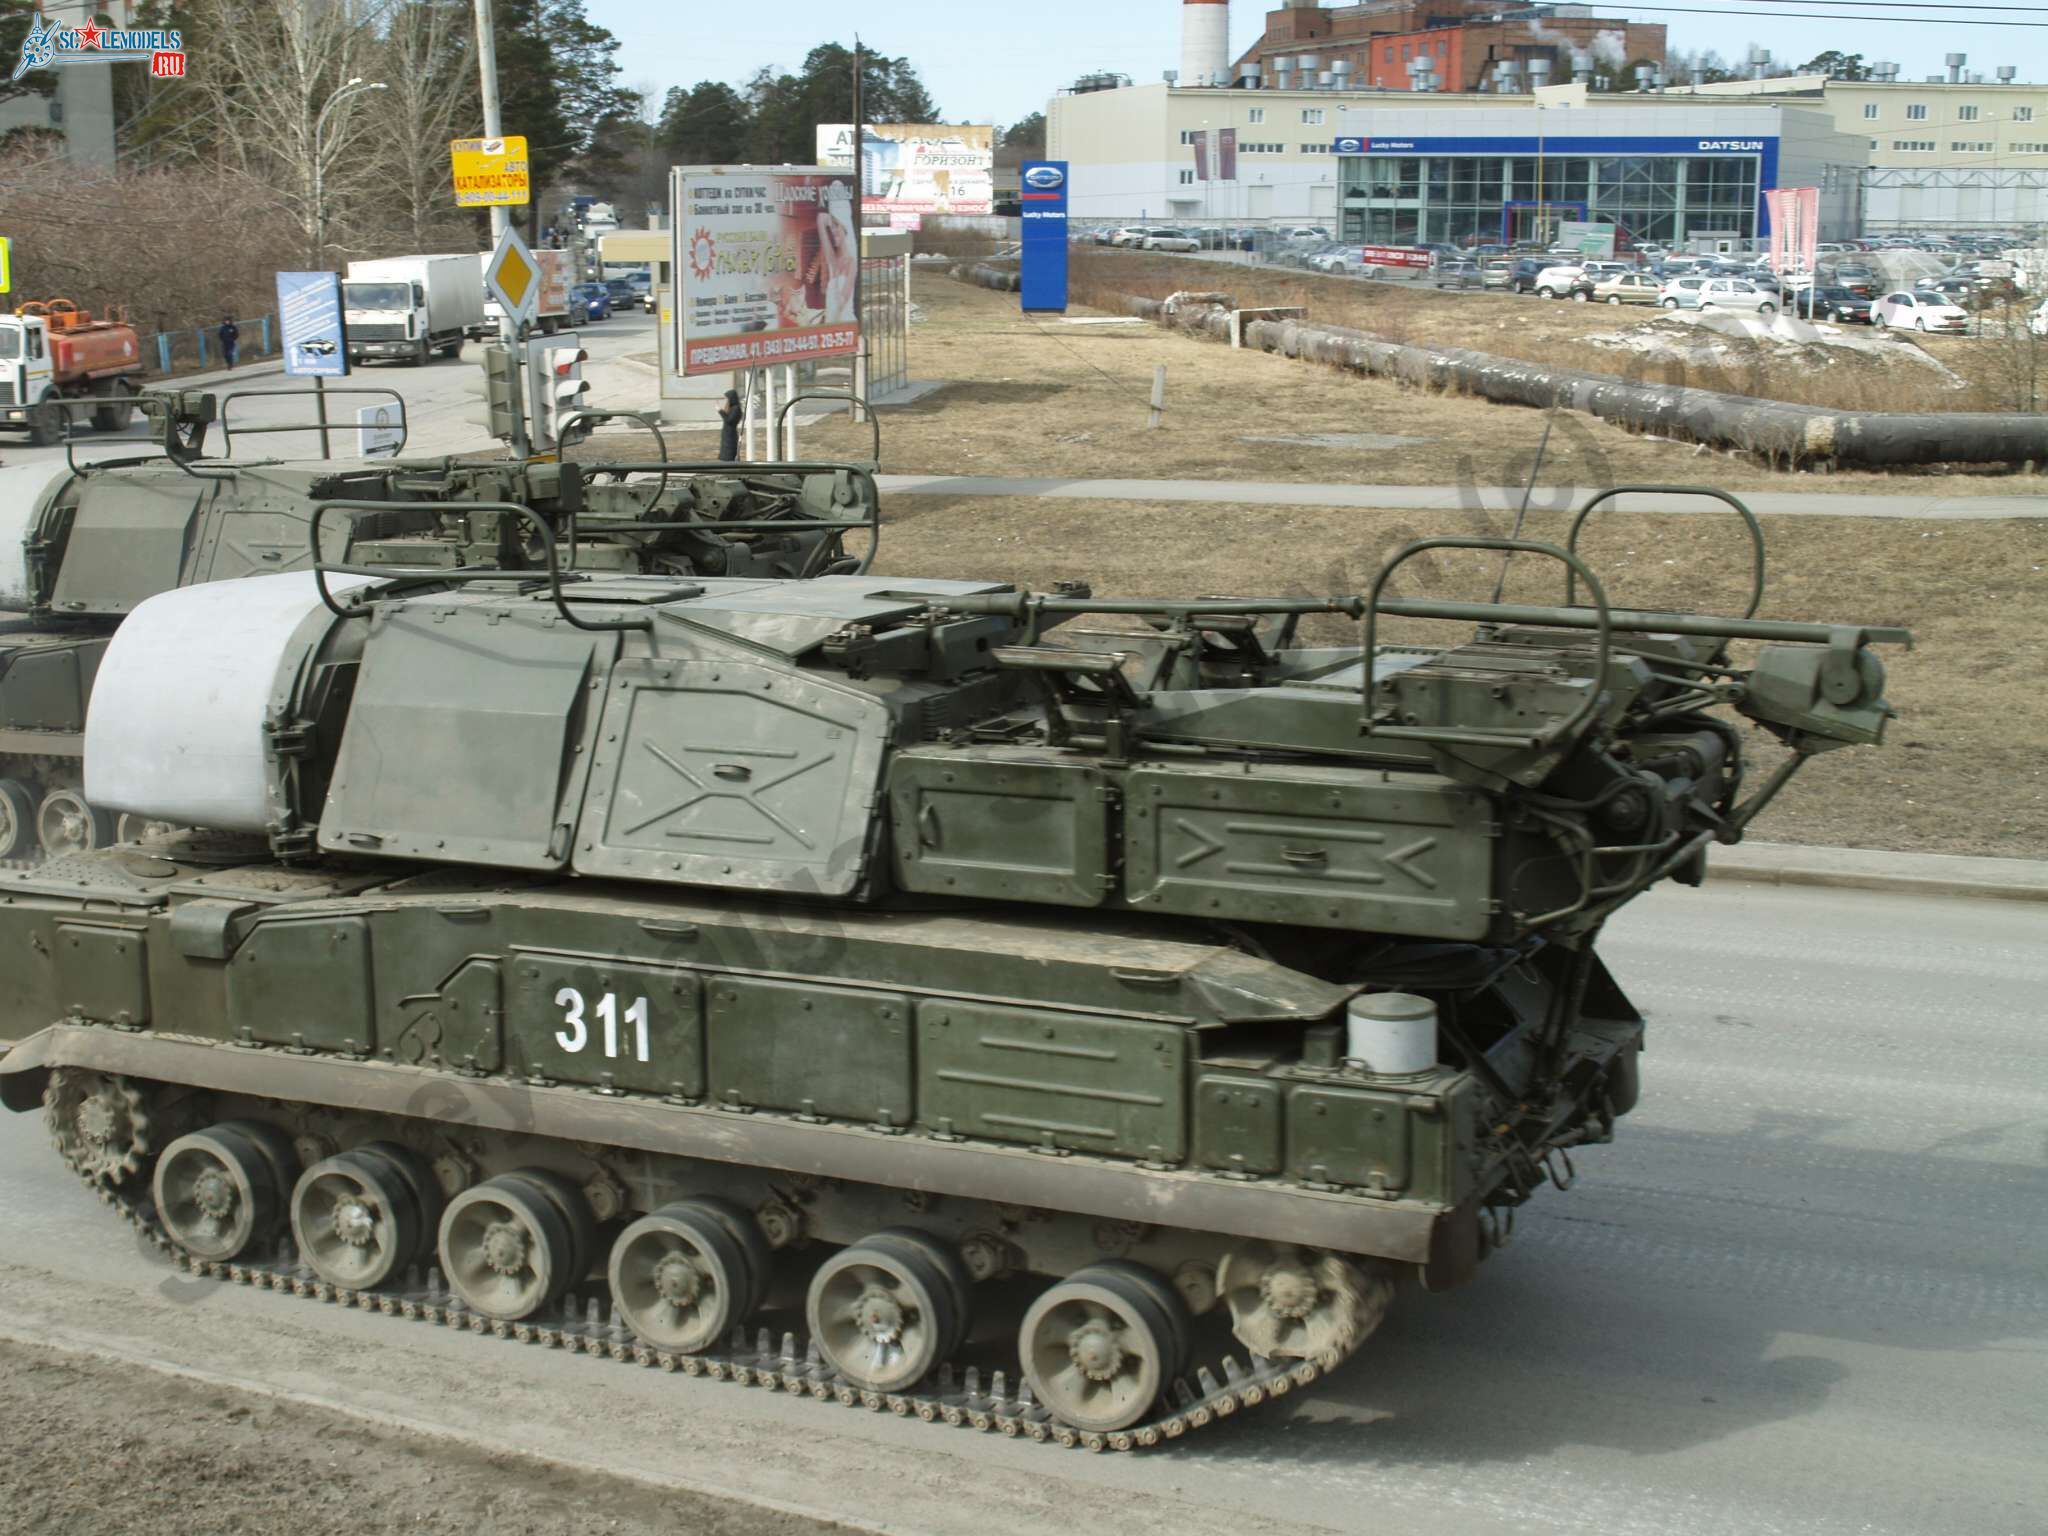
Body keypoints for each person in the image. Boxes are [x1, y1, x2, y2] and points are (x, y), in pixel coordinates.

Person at [717, 388, 742, 462]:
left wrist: (720, 411)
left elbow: (729, 420)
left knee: (728, 456)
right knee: (724, 455)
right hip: (727, 436)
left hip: (730, 437)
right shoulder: (733, 408)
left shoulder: (736, 409)